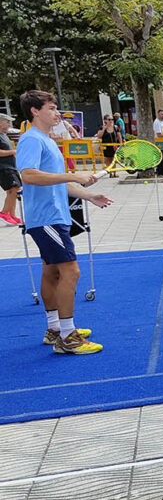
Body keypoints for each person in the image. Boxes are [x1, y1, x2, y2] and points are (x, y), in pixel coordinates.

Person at [16, 90, 113, 353]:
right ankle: (68, 337)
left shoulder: (46, 140)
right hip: (46, 218)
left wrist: (89, 194)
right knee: (71, 271)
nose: (57, 112)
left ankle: (55, 328)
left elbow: (60, 184)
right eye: (51, 108)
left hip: (52, 216)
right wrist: (71, 175)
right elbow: (29, 176)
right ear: (35, 111)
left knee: (51, 271)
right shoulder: (31, 140)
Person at [0, 113, 21, 225]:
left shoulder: (4, 135)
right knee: (13, 188)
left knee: (14, 190)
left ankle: (11, 215)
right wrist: (13, 152)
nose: (9, 124)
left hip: (11, 166)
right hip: (4, 167)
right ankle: (4, 213)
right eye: (7, 121)